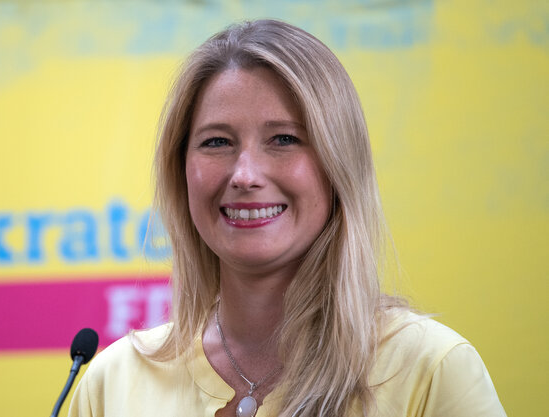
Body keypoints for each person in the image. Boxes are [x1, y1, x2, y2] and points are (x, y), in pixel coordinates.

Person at [68, 19, 505, 417]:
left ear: (339, 164)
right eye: (217, 142)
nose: (244, 175)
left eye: (283, 139)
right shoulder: (111, 383)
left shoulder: (433, 369)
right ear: (180, 169)